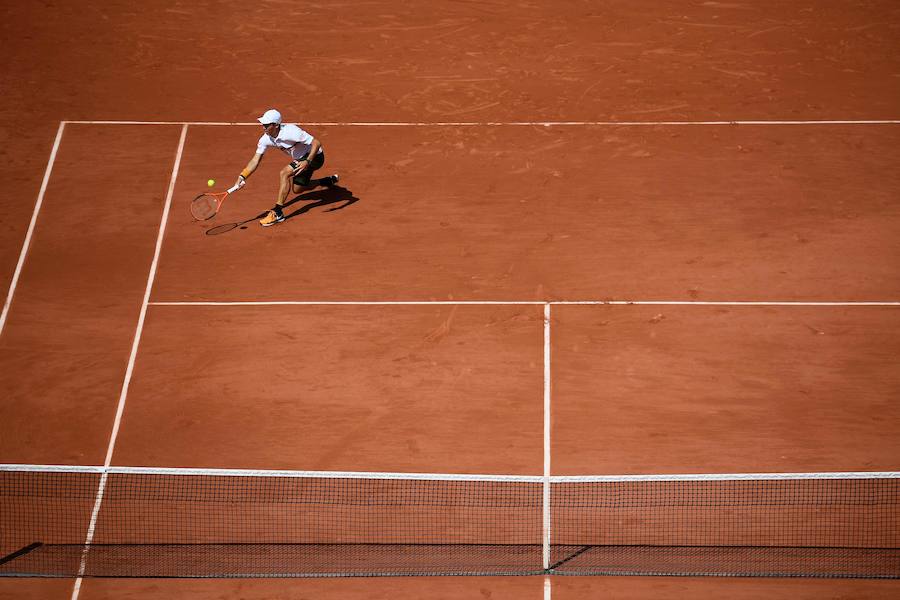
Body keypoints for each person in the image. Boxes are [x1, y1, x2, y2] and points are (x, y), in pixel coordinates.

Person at [234, 109, 339, 226]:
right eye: (263, 124)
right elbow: (255, 160)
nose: (263, 127)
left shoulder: (291, 131)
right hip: (301, 160)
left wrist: (307, 161)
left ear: (276, 125)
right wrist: (243, 176)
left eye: (266, 125)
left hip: (315, 157)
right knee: (298, 189)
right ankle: (326, 181)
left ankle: (277, 212)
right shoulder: (265, 139)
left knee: (284, 173)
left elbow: (317, 143)